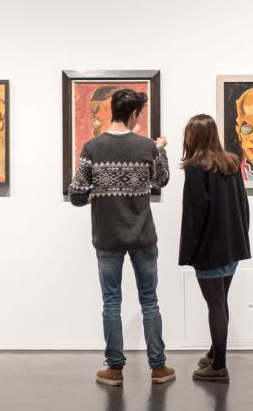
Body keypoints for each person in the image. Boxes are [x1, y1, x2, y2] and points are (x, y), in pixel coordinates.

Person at [69, 88, 176, 386]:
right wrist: (162, 148)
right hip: (143, 237)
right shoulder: (146, 147)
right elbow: (161, 180)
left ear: (111, 110)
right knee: (149, 301)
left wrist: (97, 195)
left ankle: (115, 368)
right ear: (134, 114)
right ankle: (158, 367)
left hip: (107, 237)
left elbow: (76, 194)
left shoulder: (92, 147)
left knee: (111, 302)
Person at [179, 114, 251, 383]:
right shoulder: (231, 162)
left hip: (210, 248)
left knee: (215, 304)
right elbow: (243, 205)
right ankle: (214, 352)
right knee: (221, 301)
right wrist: (242, 237)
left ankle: (219, 365)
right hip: (232, 246)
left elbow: (194, 213)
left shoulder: (196, 167)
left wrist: (190, 252)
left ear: (193, 136)